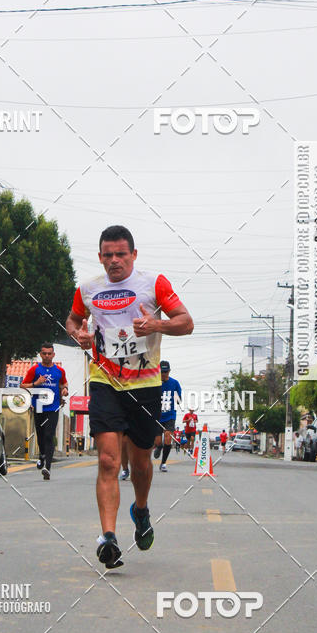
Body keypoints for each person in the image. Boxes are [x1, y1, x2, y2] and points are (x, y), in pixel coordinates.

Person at [66, 225, 193, 568]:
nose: (114, 261)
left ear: (134, 255)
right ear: (100, 257)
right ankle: (108, 537)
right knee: (108, 460)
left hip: (146, 385)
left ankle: (140, 509)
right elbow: (74, 320)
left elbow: (186, 322)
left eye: (121, 254)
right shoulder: (89, 288)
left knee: (140, 463)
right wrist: (79, 334)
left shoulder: (154, 284)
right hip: (105, 382)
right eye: (107, 255)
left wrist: (157, 326)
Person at [21, 343, 68, 480]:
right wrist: (36, 383)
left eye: (49, 353)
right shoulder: (35, 370)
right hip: (39, 407)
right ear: (41, 354)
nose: (47, 356)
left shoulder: (59, 371)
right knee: (41, 436)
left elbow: (64, 384)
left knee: (49, 435)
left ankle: (47, 467)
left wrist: (65, 390)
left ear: (53, 355)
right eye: (44, 353)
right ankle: (42, 455)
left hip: (53, 408)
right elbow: (23, 385)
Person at [153, 361, 182, 472]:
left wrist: (176, 397)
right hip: (157, 416)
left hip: (170, 415)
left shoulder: (175, 383)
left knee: (168, 438)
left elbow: (179, 400)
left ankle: (163, 463)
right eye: (162, 372)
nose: (163, 374)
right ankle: (159, 447)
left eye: (165, 372)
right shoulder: (154, 383)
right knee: (158, 441)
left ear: (169, 371)